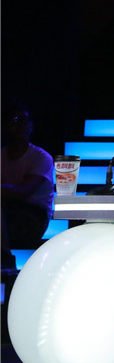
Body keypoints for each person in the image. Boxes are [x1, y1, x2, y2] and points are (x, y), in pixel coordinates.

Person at [1, 104, 53, 268]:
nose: (21, 125)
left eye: (25, 120)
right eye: (15, 120)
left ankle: (5, 260)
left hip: (34, 216)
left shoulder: (41, 157)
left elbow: (23, 191)